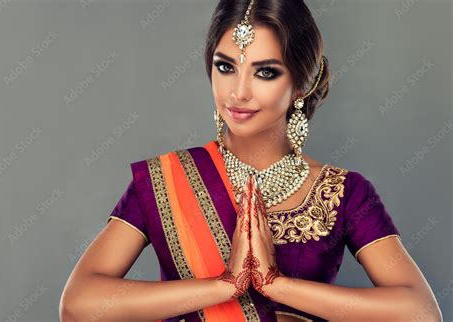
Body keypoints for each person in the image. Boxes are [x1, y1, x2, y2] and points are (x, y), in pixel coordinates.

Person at [59, 1, 442, 321]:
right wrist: (224, 285)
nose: (238, 92)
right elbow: (78, 305)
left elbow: (420, 312)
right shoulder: (168, 181)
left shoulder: (344, 192)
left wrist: (276, 283)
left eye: (265, 72)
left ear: (301, 84)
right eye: (226, 67)